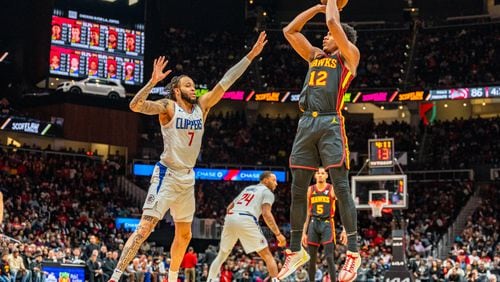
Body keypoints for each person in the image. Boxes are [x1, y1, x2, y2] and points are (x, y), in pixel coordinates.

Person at [107, 31, 267, 282]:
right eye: (188, 85)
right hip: (167, 175)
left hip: (187, 178)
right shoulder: (167, 106)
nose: (193, 88)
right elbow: (135, 106)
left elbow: (225, 81)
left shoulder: (202, 107)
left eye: (193, 85)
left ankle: (171, 279)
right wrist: (151, 82)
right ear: (177, 90)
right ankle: (115, 277)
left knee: (184, 235)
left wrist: (250, 56)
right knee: (145, 228)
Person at [280, 0, 361, 280]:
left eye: (329, 37)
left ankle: (353, 253)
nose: (324, 37)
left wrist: (331, 5)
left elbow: (332, 24)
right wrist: (317, 7)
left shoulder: (349, 55)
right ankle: (294, 252)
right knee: (298, 188)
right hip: (306, 122)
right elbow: (289, 31)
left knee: (340, 186)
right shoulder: (315, 56)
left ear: (342, 39)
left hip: (329, 122)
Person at [207, 171, 286, 282]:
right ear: (265, 180)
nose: (276, 183)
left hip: (231, 217)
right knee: (267, 255)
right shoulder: (267, 192)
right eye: (274, 180)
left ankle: (210, 279)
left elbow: (229, 208)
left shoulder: (248, 189)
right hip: (246, 218)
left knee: (222, 255)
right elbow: (266, 213)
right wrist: (278, 234)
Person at [302, 167, 347, 282]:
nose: (320, 175)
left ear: (327, 175)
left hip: (327, 223)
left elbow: (343, 208)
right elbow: (307, 213)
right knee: (311, 259)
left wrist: (344, 229)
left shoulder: (332, 189)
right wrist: (303, 233)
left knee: (329, 257)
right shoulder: (310, 190)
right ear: (315, 176)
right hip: (313, 223)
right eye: (318, 173)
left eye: (322, 173)